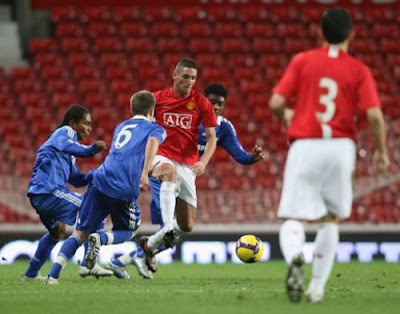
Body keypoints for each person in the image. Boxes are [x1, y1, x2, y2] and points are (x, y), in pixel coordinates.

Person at [268, 7, 389, 303]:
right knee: (331, 218)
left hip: (306, 144)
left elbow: (276, 101)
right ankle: (317, 288)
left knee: (294, 218)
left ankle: (296, 257)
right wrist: (381, 151)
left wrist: (287, 115)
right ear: (352, 34)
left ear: (319, 33)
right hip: (340, 147)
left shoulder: (303, 61)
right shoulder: (359, 69)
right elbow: (373, 114)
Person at [45, 90, 168, 284]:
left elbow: (126, 155)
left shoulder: (121, 126)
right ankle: (100, 240)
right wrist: (145, 173)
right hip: (122, 186)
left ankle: (53, 275)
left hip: (100, 179)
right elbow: (152, 143)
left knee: (79, 233)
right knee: (131, 230)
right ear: (152, 110)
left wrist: (144, 170)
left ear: (131, 108)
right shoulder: (156, 129)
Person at [110, 58, 217, 277]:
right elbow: (142, 126)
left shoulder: (201, 102)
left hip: (188, 164)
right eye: (185, 76)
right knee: (169, 172)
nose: (189, 81)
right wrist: (142, 163)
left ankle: (148, 247)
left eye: (193, 78)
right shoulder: (157, 99)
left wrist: (203, 161)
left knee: (187, 226)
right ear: (174, 75)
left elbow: (212, 138)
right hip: (162, 155)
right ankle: (167, 226)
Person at [22, 105, 109, 281]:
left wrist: (96, 175)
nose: (89, 128)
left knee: (58, 231)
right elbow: (71, 146)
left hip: (39, 194)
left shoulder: (68, 153)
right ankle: (88, 263)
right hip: (49, 191)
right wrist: (91, 150)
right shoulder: (66, 132)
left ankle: (31, 273)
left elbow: (76, 179)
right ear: (73, 123)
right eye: (86, 123)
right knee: (94, 210)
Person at [198, 83, 264, 164]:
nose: (216, 107)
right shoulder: (190, 117)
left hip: (190, 170)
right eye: (212, 103)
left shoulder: (224, 127)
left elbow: (241, 156)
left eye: (220, 104)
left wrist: (252, 158)